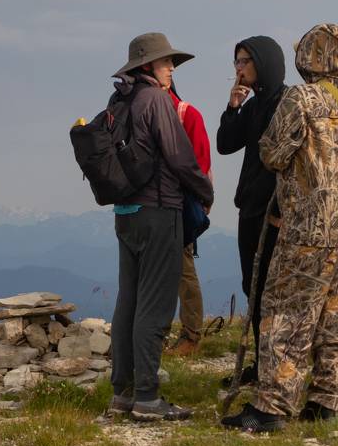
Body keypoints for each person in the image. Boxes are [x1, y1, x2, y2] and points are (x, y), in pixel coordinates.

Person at [222, 24, 338, 433]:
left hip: (308, 226)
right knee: (337, 313)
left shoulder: (301, 98)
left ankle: (272, 407)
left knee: (285, 311)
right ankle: (326, 400)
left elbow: (272, 153)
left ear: (307, 58)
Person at [105, 33, 215, 422]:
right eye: (167, 62)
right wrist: (205, 192)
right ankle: (148, 398)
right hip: (159, 211)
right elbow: (181, 158)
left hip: (126, 213)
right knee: (155, 305)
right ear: (149, 65)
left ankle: (122, 394)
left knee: (128, 302)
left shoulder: (118, 100)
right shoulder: (156, 100)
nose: (171, 69)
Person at [215, 36, 287, 385]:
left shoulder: (286, 102)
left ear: (264, 62)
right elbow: (225, 144)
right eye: (237, 61)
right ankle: (262, 364)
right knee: (252, 286)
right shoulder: (254, 103)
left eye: (244, 61)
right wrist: (233, 107)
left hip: (275, 212)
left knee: (272, 291)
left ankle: (275, 365)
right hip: (249, 209)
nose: (238, 68)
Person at [165, 76, 213, 357]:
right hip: (158, 204)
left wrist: (201, 198)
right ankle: (162, 333)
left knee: (183, 270)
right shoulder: (153, 112)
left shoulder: (186, 114)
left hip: (180, 204)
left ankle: (191, 335)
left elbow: (200, 164)